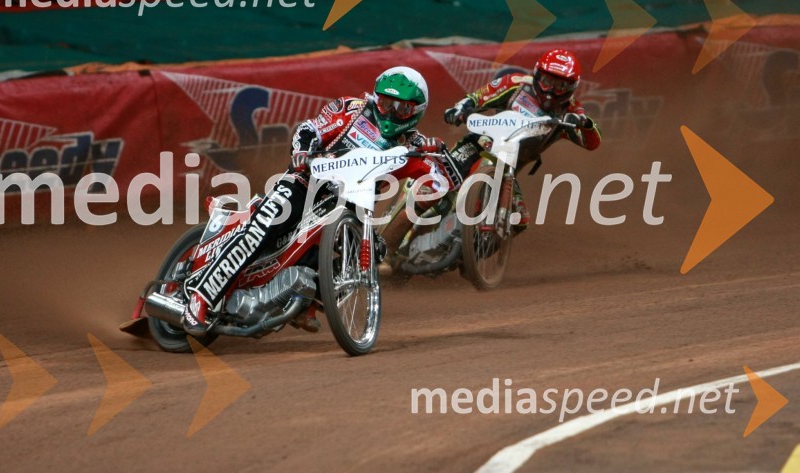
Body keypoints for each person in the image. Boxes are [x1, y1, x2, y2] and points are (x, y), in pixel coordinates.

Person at [181, 66, 453, 336]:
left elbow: (443, 180)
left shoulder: (413, 147)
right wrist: (303, 153)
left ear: (416, 112)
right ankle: (201, 298)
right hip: (305, 183)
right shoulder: (352, 109)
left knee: (373, 253)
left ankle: (304, 300)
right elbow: (309, 129)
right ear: (376, 97)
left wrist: (440, 156)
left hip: (351, 207)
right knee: (262, 227)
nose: (391, 112)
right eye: (385, 103)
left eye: (401, 108)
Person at [443, 48, 602, 231]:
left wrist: (585, 124)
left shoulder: (572, 111)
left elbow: (592, 142)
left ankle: (470, 254)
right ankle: (415, 219)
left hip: (509, 169)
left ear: (572, 87)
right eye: (548, 81)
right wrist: (459, 110)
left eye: (560, 86)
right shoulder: (515, 84)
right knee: (444, 177)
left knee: (519, 220)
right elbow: (477, 98)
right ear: (537, 75)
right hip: (481, 144)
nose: (551, 91)